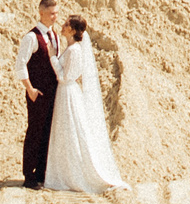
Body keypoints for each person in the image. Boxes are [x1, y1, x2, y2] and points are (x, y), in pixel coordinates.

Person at [43, 14, 128, 193]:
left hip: (68, 92)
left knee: (71, 130)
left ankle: (72, 174)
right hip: (65, 93)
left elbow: (65, 77)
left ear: (73, 30)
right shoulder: (72, 48)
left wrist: (52, 58)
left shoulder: (75, 51)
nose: (63, 26)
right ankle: (64, 172)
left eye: (66, 24)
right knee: (66, 131)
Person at [15, 0, 64, 188]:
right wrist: (30, 89)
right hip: (37, 93)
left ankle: (42, 174)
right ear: (41, 13)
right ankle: (29, 175)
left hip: (53, 93)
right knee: (35, 132)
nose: (55, 17)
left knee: (47, 133)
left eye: (57, 13)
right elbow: (21, 64)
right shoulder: (31, 38)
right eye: (52, 13)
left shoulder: (54, 36)